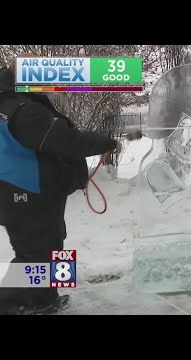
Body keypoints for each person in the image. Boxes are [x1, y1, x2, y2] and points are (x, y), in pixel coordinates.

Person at [0, 61, 119, 315]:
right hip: (24, 192)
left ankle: (45, 300)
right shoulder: (21, 110)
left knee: (52, 246)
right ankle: (10, 302)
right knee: (32, 255)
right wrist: (104, 141)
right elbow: (64, 139)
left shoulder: (19, 103)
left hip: (36, 191)